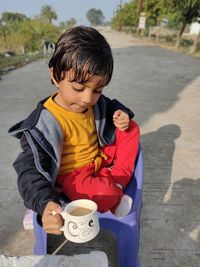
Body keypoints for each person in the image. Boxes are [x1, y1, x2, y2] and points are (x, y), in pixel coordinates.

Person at [9, 26, 140, 235]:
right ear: (55, 75)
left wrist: (121, 113)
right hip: (74, 178)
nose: (88, 98)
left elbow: (110, 104)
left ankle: (117, 179)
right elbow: (29, 172)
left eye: (97, 90)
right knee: (100, 192)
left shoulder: (94, 103)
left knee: (131, 128)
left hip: (101, 160)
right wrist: (45, 203)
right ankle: (111, 192)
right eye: (79, 88)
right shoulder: (41, 126)